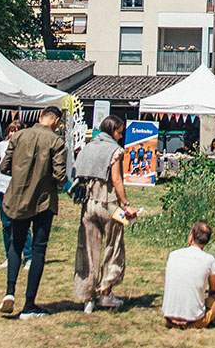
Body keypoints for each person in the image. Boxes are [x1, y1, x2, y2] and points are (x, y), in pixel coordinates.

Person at [0, 105, 67, 320]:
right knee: (38, 250)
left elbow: (4, 167)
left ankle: (10, 291)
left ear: (39, 117)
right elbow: (60, 175)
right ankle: (29, 305)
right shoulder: (56, 141)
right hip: (42, 201)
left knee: (15, 244)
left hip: (17, 198)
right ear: (56, 121)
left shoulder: (18, 136)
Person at [74, 115, 134, 312]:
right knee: (113, 247)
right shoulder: (115, 150)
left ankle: (87, 298)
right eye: (119, 132)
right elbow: (116, 180)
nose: (121, 136)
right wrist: (126, 204)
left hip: (89, 202)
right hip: (109, 202)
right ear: (111, 131)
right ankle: (106, 292)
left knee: (88, 251)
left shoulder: (88, 147)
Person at [162, 221, 215, 329]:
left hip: (169, 319)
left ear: (191, 236)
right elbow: (214, 288)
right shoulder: (209, 260)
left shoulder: (173, 255)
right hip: (194, 321)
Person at [0, 119, 33, 272]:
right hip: (2, 187)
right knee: (6, 224)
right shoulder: (1, 146)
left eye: (16, 131)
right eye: (11, 131)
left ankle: (29, 256)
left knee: (21, 223)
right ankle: (10, 256)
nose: (12, 134)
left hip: (18, 188)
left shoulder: (25, 146)